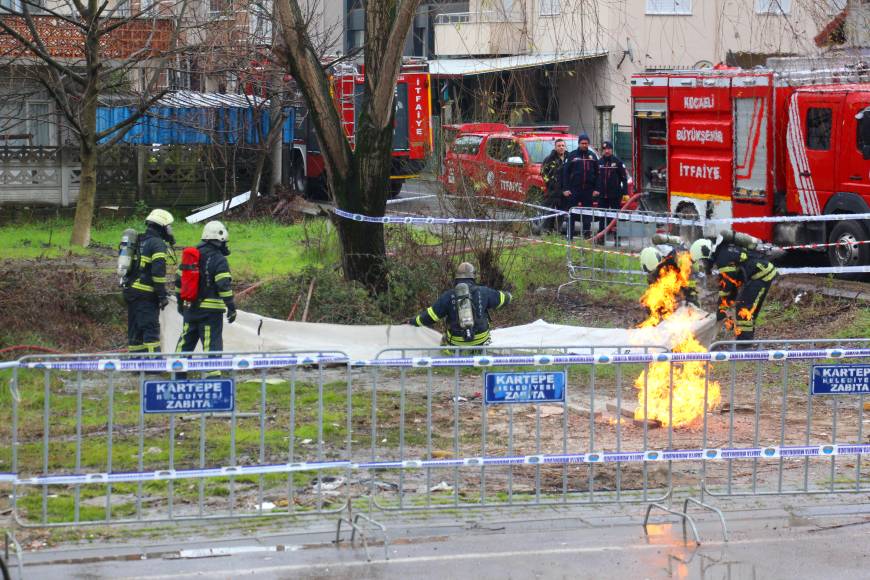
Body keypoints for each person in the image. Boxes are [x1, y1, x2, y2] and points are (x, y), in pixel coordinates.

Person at [690, 231, 777, 344]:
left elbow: (727, 286)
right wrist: (724, 306)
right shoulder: (723, 252)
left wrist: (721, 308)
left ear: (706, 254)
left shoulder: (722, 257)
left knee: (744, 307)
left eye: (703, 260)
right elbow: (733, 285)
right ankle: (745, 340)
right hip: (759, 274)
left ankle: (743, 344)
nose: (704, 263)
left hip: (761, 275)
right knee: (746, 307)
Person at [175, 221, 237, 375]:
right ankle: (213, 380)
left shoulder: (190, 255)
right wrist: (231, 307)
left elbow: (178, 281)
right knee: (211, 345)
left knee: (185, 342)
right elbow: (223, 285)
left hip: (190, 308)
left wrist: (180, 303)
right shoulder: (218, 259)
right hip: (210, 313)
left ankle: (177, 375)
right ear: (220, 240)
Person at [410, 262, 512, 348]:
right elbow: (504, 299)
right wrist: (509, 295)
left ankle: (451, 354)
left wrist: (414, 321)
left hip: (457, 342)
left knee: (444, 340)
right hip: (481, 340)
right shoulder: (484, 292)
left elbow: (431, 316)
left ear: (456, 278)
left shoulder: (448, 295)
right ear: (473, 277)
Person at [124, 209, 174, 354]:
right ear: (162, 226)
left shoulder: (139, 239)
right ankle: (154, 368)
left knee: (135, 331)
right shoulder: (158, 244)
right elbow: (158, 274)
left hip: (130, 291)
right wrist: (162, 296)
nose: (170, 230)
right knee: (150, 330)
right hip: (145, 295)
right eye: (168, 226)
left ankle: (135, 366)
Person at [639, 236, 699, 308]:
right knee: (654, 284)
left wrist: (689, 292)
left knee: (688, 290)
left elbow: (688, 274)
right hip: (666, 264)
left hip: (683, 265)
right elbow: (652, 277)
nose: (652, 273)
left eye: (653, 270)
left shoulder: (679, 257)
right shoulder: (649, 255)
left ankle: (693, 304)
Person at [560, 133, 598, 240]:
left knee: (587, 213)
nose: (584, 145)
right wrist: (565, 189)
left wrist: (596, 189)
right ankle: (570, 234)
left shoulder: (592, 156)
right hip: (574, 189)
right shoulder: (572, 156)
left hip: (588, 190)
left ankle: (586, 234)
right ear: (579, 143)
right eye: (582, 143)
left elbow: (597, 173)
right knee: (571, 212)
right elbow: (565, 173)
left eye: (586, 143)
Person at [595, 141, 628, 238]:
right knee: (602, 217)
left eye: (609, 149)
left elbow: (624, 178)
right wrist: (596, 190)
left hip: (615, 195)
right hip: (602, 195)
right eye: (605, 149)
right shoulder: (599, 162)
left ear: (612, 150)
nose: (607, 151)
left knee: (615, 216)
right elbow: (597, 178)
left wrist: (625, 193)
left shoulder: (617, 162)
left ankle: (617, 237)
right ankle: (601, 237)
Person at [540, 138, 568, 233]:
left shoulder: (569, 158)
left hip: (565, 191)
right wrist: (551, 184)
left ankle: (558, 231)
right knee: (550, 212)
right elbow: (543, 173)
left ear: (565, 147)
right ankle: (547, 230)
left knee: (561, 213)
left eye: (562, 146)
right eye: (559, 146)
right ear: (555, 147)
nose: (561, 147)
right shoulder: (549, 159)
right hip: (553, 191)